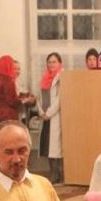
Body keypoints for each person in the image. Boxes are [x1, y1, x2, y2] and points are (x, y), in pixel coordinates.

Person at [39, 52, 64, 185]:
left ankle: (58, 175)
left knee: (56, 148)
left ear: (59, 63)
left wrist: (49, 113)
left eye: (54, 62)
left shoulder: (61, 77)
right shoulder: (45, 77)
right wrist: (41, 111)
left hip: (55, 116)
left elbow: (60, 99)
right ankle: (53, 174)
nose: (51, 64)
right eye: (49, 62)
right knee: (47, 147)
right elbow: (40, 97)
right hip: (45, 117)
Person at [0, 55, 34, 124]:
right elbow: (12, 101)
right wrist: (25, 100)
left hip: (0, 113)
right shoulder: (8, 81)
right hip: (9, 114)